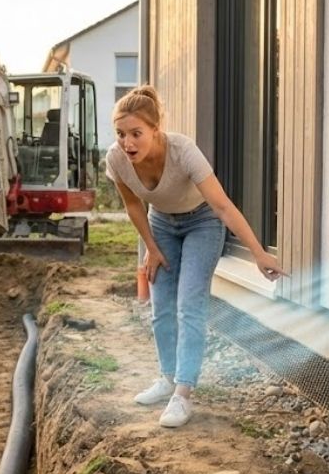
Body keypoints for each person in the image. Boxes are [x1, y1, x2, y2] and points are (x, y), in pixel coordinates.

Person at [107, 85, 286, 429]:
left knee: (189, 304)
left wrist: (259, 253)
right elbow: (133, 205)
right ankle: (167, 377)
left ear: (155, 130)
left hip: (202, 222)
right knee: (161, 308)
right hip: (161, 223)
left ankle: (183, 394)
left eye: (136, 134)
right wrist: (151, 249)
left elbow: (221, 205)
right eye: (120, 134)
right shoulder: (116, 159)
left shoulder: (183, 151)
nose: (127, 143)